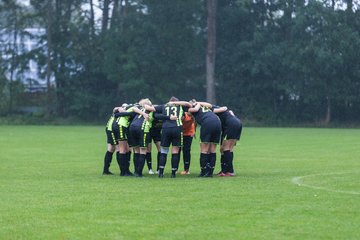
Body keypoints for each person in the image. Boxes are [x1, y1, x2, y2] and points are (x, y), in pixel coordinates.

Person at [154, 97, 192, 178]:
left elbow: (155, 115)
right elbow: (189, 104)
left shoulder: (163, 106)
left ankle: (161, 173)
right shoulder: (180, 106)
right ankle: (173, 174)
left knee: (164, 151)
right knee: (175, 151)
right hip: (177, 128)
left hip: (165, 129)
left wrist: (166, 117)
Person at [188, 100, 222, 177]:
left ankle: (203, 172)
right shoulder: (206, 107)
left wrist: (191, 107)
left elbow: (190, 113)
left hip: (207, 123)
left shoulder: (192, 109)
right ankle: (210, 172)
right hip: (217, 122)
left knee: (204, 150)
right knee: (212, 150)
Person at [114, 103, 147, 176]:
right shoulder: (134, 108)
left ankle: (126, 171)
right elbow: (134, 109)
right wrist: (144, 114)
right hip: (121, 126)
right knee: (122, 149)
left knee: (127, 149)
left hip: (122, 126)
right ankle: (123, 172)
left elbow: (116, 112)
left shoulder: (128, 110)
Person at [213, 108, 242, 176]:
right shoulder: (224, 112)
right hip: (237, 122)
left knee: (225, 148)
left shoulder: (213, 111)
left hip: (230, 125)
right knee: (228, 149)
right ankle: (224, 170)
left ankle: (230, 171)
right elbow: (231, 111)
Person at [102, 106, 126, 175]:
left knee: (111, 149)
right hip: (111, 129)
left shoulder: (117, 112)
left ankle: (106, 170)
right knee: (117, 148)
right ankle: (122, 170)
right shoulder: (119, 111)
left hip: (110, 128)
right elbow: (115, 108)